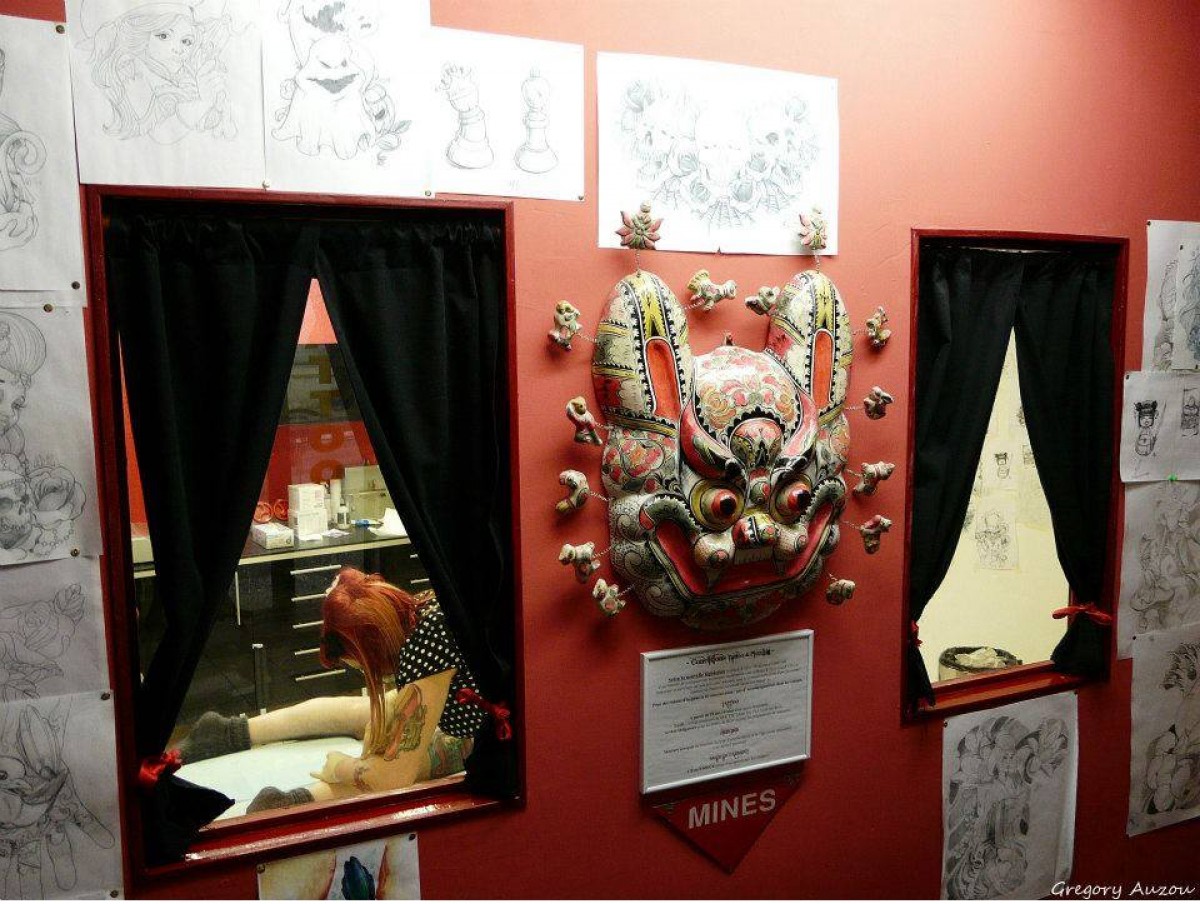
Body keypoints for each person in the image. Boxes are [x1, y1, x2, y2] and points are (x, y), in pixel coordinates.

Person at [178, 568, 485, 813]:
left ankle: (295, 800)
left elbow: (393, 777)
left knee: (408, 760)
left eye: (362, 667)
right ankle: (231, 735)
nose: (364, 674)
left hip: (484, 729)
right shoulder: (414, 612)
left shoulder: (426, 647)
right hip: (467, 698)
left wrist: (343, 767)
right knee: (370, 713)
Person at [84, 1, 236, 144]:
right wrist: (203, 103)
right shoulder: (132, 72)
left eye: (186, 41)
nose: (179, 50)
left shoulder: (179, 77)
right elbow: (160, 134)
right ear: (140, 36)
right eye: (164, 36)